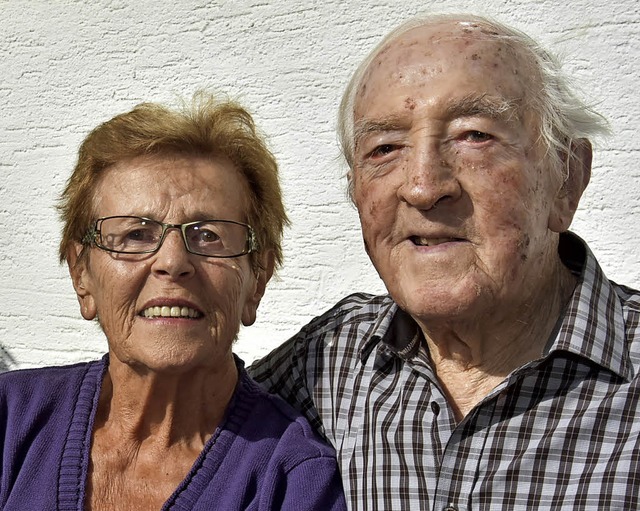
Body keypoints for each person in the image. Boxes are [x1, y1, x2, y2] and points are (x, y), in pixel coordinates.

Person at [249, 13, 640, 510]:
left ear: (567, 178)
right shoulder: (328, 360)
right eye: (385, 148)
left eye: (474, 136)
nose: (424, 186)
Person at [0, 93, 347, 510]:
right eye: (135, 234)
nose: (173, 262)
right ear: (82, 276)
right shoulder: (10, 421)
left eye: (208, 235)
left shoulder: (293, 481)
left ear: (257, 280)